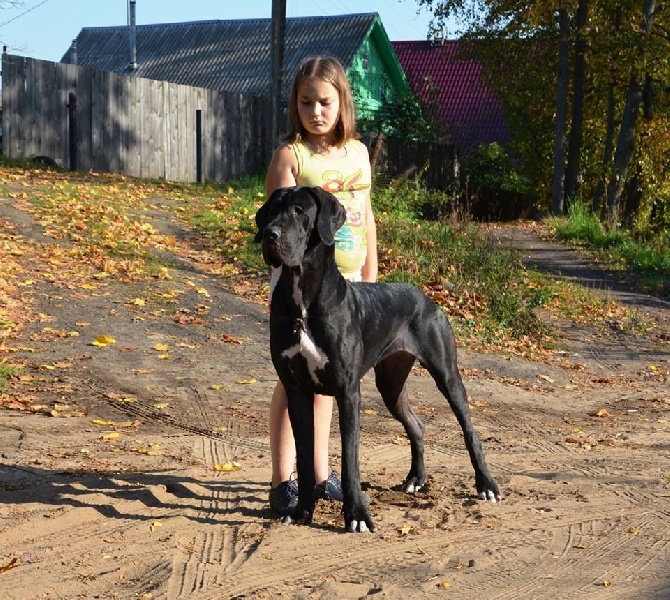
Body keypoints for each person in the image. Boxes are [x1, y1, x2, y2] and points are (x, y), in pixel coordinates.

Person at [264, 56, 378, 515]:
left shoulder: (359, 153)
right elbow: (276, 221)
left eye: (324, 102)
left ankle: (321, 474)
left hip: (345, 283)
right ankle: (282, 480)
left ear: (342, 102)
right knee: (293, 378)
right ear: (295, 103)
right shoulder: (291, 156)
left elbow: (366, 216)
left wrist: (371, 272)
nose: (315, 111)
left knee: (334, 375)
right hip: (297, 288)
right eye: (306, 101)